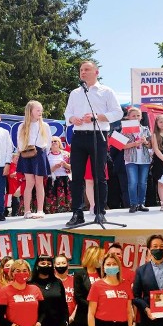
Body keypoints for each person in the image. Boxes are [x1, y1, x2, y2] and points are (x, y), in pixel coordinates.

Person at [64, 61, 123, 226]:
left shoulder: (106, 91)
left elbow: (118, 112)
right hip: (78, 136)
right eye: (81, 70)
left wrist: (97, 117)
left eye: (87, 69)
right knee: (76, 177)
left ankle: (100, 212)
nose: (83, 72)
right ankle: (77, 212)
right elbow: (67, 112)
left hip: (98, 136)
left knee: (99, 176)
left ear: (96, 72)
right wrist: (71, 118)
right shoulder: (75, 93)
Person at [87, 251, 134, 326]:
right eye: (108, 264)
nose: (111, 266)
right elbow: (91, 314)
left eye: (114, 264)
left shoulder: (125, 285)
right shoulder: (97, 285)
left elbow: (129, 312)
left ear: (118, 266)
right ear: (103, 267)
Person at [16, 101, 52, 219]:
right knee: (29, 182)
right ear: (30, 111)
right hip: (27, 154)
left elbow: (49, 142)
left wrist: (43, 155)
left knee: (39, 182)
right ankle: (27, 211)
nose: (40, 112)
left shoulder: (45, 126)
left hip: (40, 153)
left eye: (41, 110)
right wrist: (25, 150)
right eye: (37, 110)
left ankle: (40, 210)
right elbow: (19, 142)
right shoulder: (22, 126)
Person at [73, 245, 105, 326]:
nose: (101, 260)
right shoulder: (80, 274)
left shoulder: (103, 273)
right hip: (84, 319)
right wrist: (94, 306)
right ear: (92, 257)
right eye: (100, 258)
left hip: (102, 319)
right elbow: (78, 296)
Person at [121, 107, 152, 213]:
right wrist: (134, 143)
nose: (136, 117)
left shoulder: (145, 129)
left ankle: (141, 203)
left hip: (144, 159)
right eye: (133, 115)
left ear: (141, 117)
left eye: (138, 115)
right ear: (128, 117)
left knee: (143, 182)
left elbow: (151, 145)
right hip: (131, 159)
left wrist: (146, 142)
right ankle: (133, 204)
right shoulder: (124, 129)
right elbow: (121, 146)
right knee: (133, 182)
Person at [45, 136, 72, 214]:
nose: (53, 143)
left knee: (66, 195)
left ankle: (67, 209)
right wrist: (54, 168)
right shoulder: (47, 155)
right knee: (52, 196)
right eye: (52, 141)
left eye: (55, 141)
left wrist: (65, 165)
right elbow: (45, 170)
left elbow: (72, 167)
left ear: (59, 143)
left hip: (65, 178)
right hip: (52, 179)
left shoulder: (66, 154)